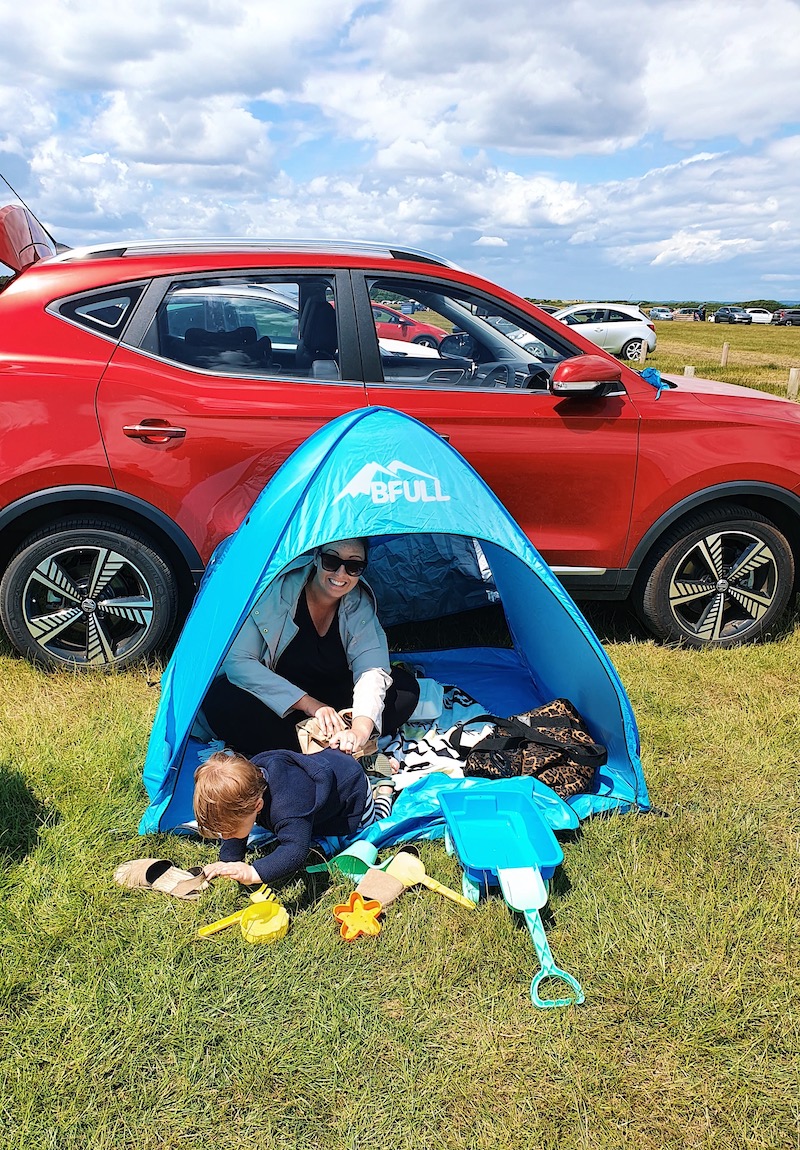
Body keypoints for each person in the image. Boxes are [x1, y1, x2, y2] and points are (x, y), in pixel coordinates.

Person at [201, 538, 419, 758]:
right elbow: (238, 662)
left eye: (353, 566)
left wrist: (360, 730)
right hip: (278, 701)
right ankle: (337, 750)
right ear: (316, 558)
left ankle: (334, 745)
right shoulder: (276, 592)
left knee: (404, 690)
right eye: (331, 561)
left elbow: (372, 670)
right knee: (223, 701)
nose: (341, 574)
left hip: (331, 699)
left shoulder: (359, 603)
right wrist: (309, 704)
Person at [195, 748, 394, 885]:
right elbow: (235, 825)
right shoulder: (252, 777)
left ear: (258, 805)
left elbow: (295, 852)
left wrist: (253, 872)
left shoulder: (287, 807)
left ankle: (383, 788)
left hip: (351, 789)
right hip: (332, 762)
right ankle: (359, 763)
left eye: (228, 831)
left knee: (372, 827)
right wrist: (229, 861)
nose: (225, 836)